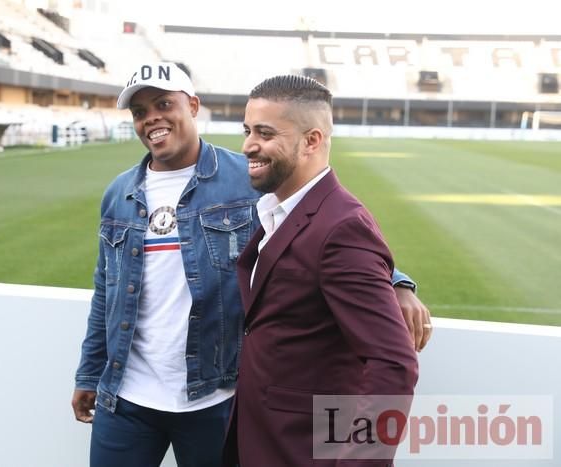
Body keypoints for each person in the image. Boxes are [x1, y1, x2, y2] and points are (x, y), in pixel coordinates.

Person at [71, 62, 430, 467]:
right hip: (127, 394)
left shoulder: (250, 175)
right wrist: (90, 371)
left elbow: (331, 224)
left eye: (163, 103)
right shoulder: (119, 193)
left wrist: (397, 283)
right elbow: (107, 289)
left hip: (215, 396)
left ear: (192, 105)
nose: (151, 117)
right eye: (139, 112)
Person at [222, 75, 420, 467]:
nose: (248, 146)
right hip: (263, 439)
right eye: (247, 131)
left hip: (305, 451)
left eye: (264, 132)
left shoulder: (342, 227)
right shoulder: (277, 209)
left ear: (312, 140)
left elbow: (394, 364)